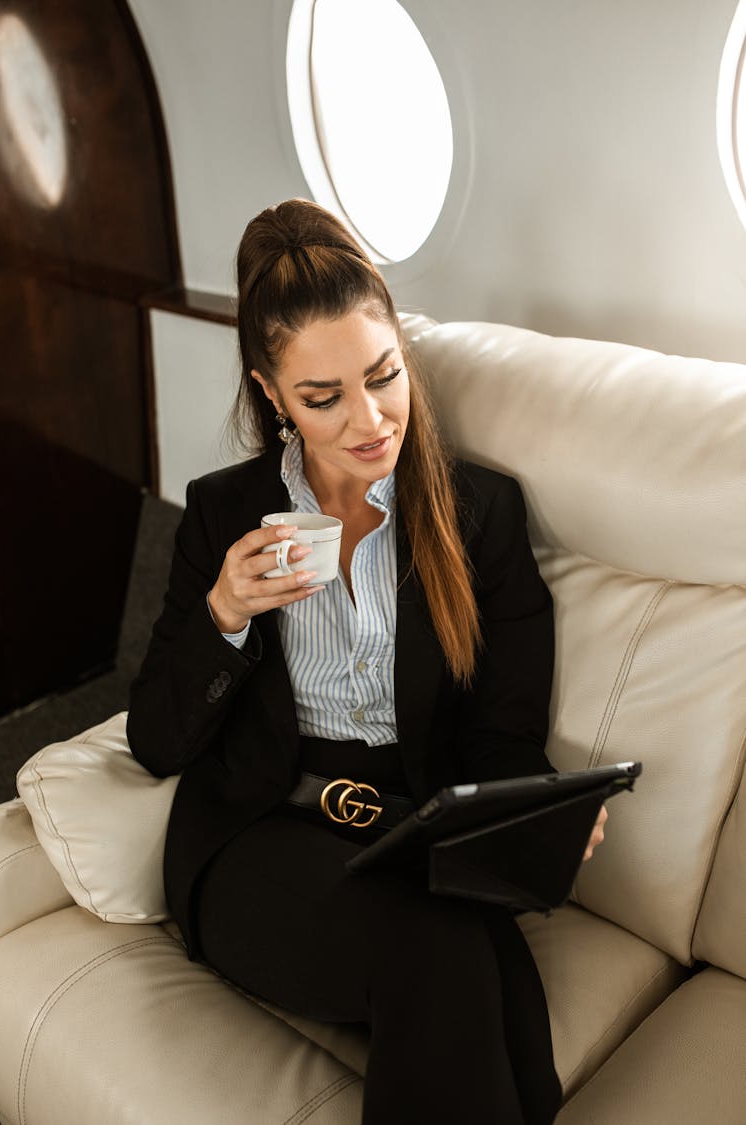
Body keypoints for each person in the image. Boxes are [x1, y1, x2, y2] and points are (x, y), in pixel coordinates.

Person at [127, 198, 606, 1125]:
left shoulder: (479, 516)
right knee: (444, 957)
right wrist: (224, 614)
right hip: (259, 831)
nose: (370, 419)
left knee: (497, 994)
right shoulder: (226, 514)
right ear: (271, 394)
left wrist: (535, 813)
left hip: (414, 827)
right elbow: (155, 739)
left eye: (385, 377)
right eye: (323, 398)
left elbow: (502, 731)